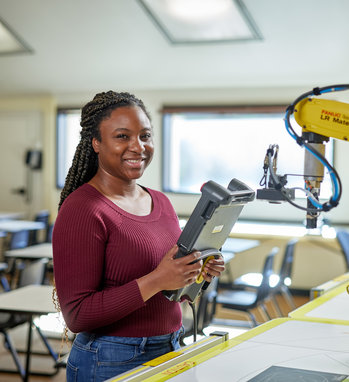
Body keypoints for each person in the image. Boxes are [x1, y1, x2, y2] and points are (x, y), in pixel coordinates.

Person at [52, 90, 225, 382]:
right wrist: (157, 279)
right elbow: (78, 315)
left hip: (170, 346)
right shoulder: (82, 209)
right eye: (122, 136)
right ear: (96, 143)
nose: (138, 146)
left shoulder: (161, 201)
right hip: (111, 359)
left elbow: (171, 286)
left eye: (145, 135)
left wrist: (197, 271)